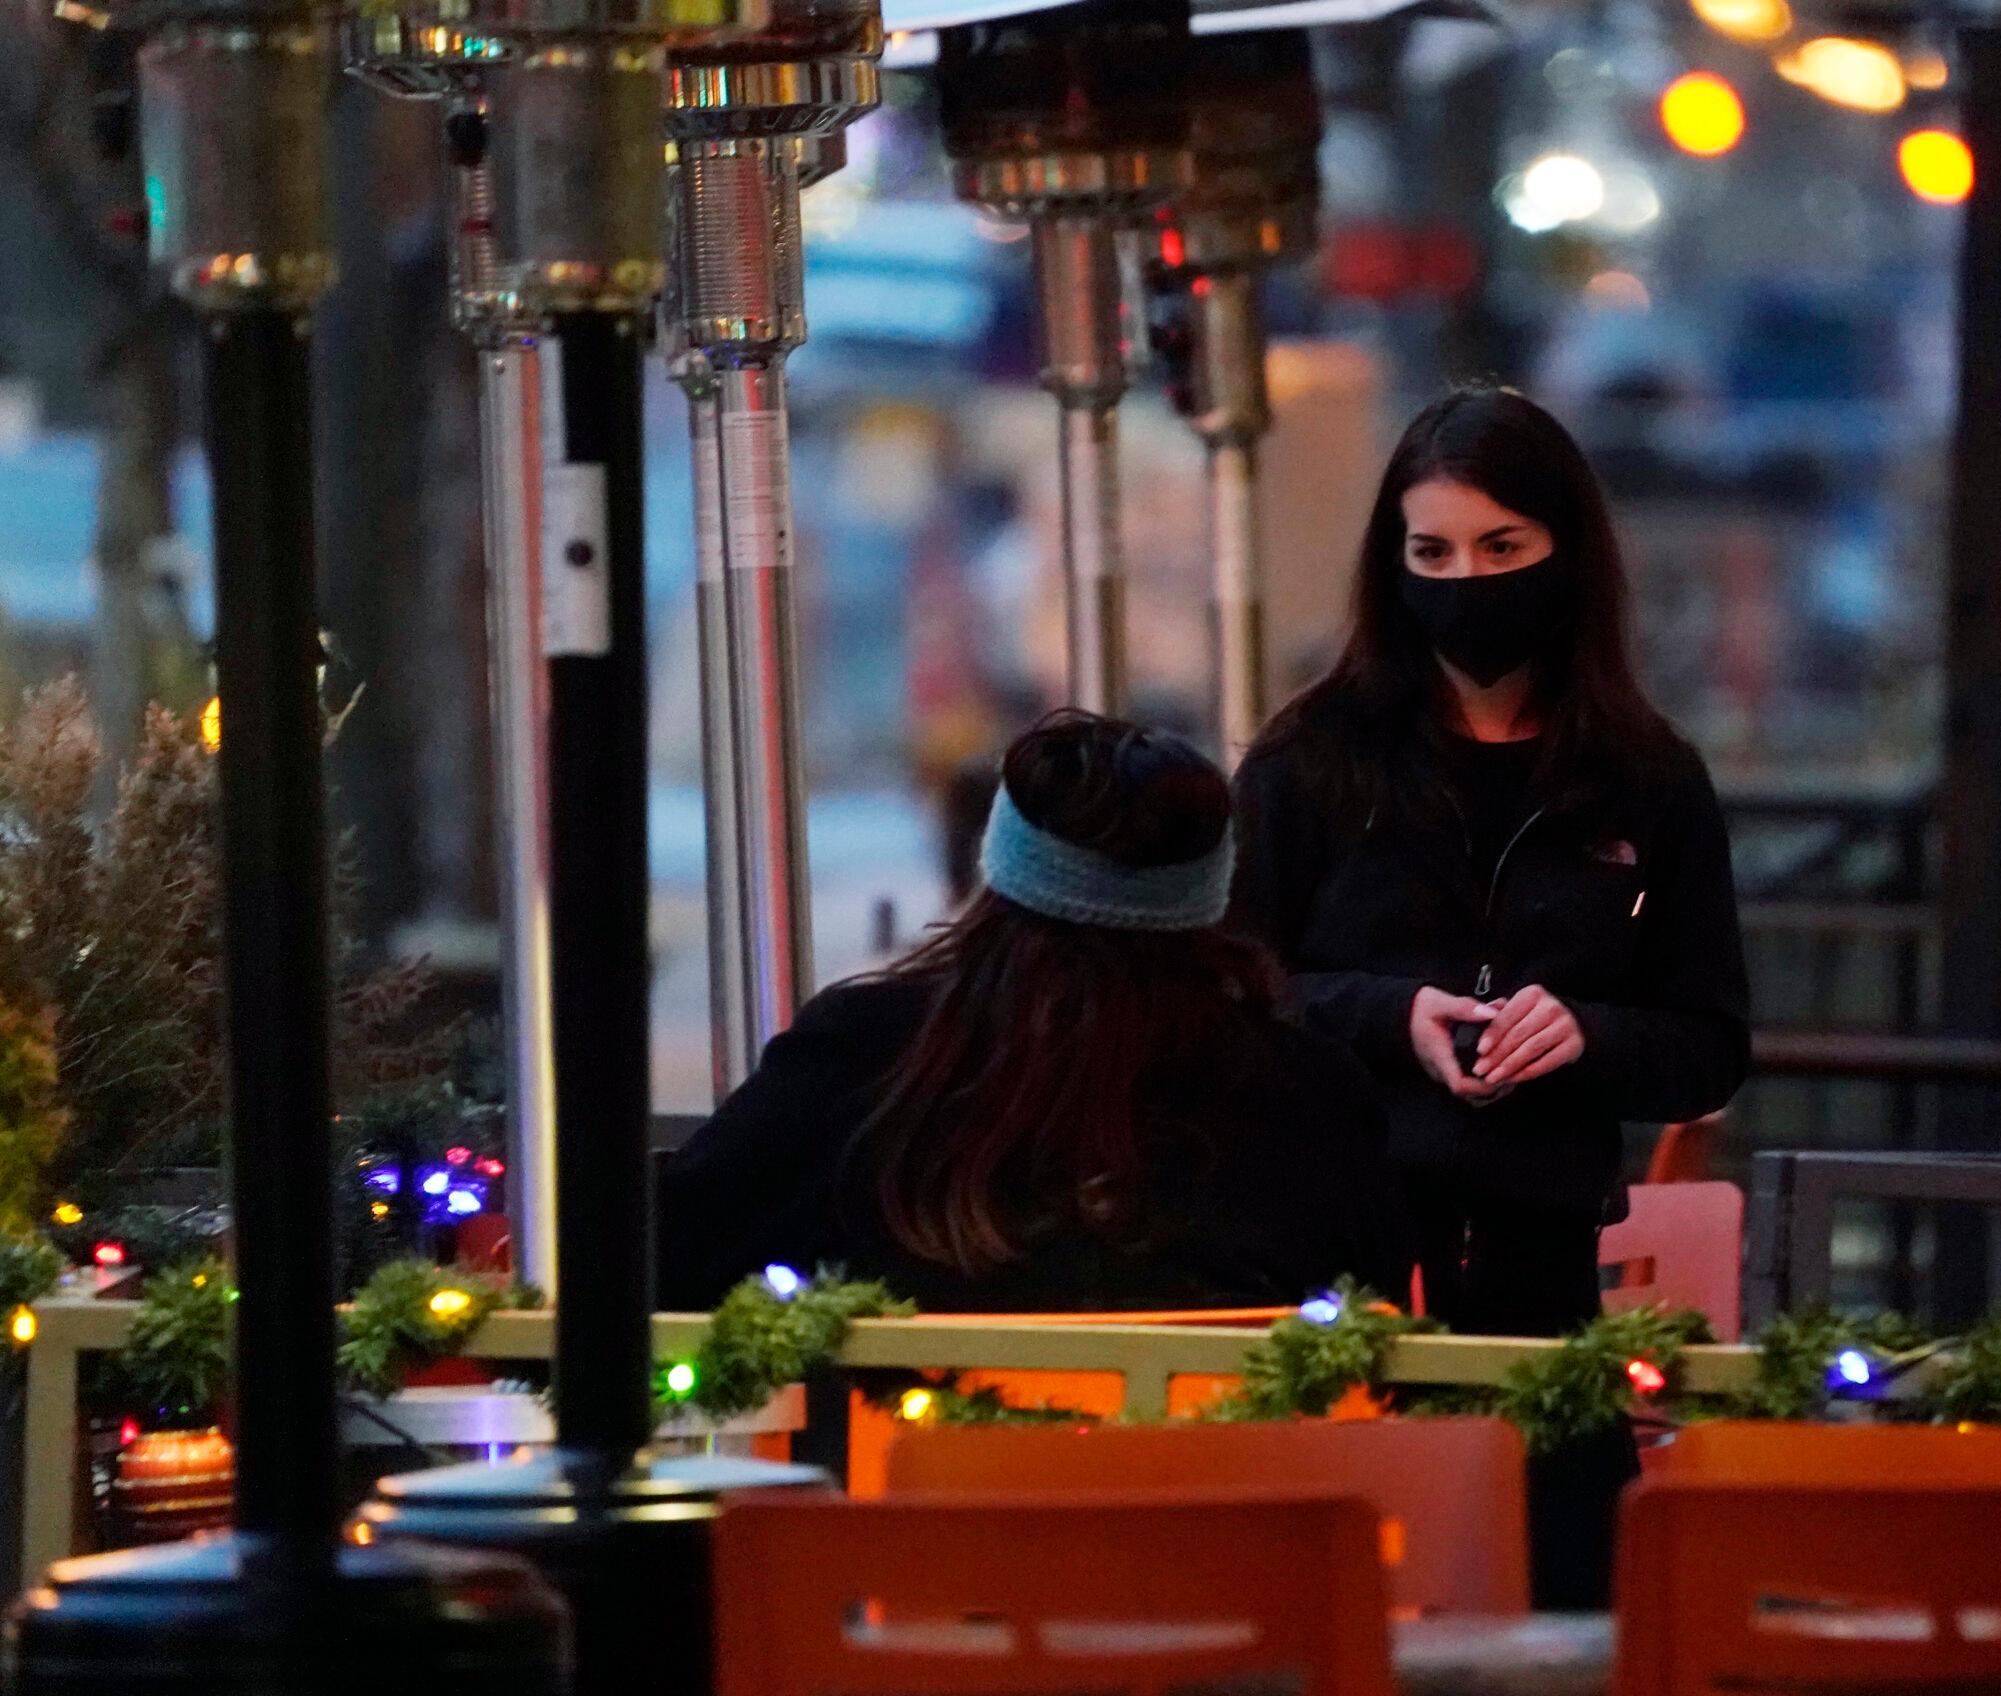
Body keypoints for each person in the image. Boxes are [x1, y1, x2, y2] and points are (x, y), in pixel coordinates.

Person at [1232, 385, 1751, 1341]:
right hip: (1331, 1274)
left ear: (1568, 553)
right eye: (1432, 553)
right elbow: (1229, 995)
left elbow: (1709, 1046)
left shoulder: (1646, 775)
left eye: (1501, 548)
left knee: (1561, 1490)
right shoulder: (1309, 758)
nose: (1465, 581)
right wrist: (1393, 1017)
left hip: (1549, 1277)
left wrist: (1584, 1037)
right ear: (1393, 567)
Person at [658, 712, 1411, 1314]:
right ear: (1211, 895)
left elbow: (672, 1259)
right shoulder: (1307, 1092)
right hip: (1238, 1490)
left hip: (909, 1491)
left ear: (999, 874)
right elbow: (1367, 1317)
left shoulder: (863, 1058)